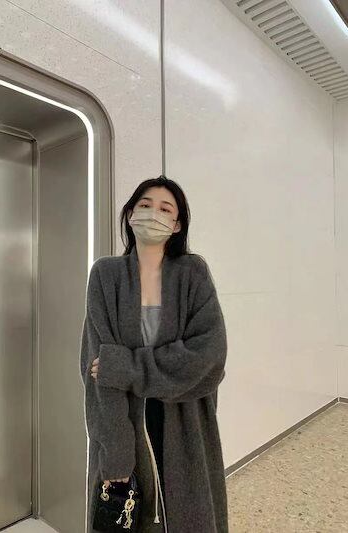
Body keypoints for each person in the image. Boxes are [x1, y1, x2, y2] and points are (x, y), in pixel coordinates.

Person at [80, 175, 229, 532]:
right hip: (123, 421)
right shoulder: (106, 275)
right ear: (130, 214)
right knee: (128, 518)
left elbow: (209, 357)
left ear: (177, 225)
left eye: (165, 209)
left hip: (185, 422)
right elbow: (97, 369)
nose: (153, 214)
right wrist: (116, 453)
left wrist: (128, 368)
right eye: (145, 205)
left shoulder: (193, 272)